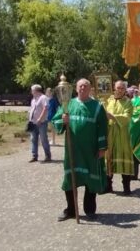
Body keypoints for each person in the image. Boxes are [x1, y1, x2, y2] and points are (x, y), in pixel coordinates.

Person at [52, 79, 108, 221]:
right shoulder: (68, 104)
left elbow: (103, 127)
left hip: (90, 150)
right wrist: (63, 121)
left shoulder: (97, 107)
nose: (83, 88)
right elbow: (56, 120)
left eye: (86, 86)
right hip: (73, 150)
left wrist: (102, 148)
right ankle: (71, 210)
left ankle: (89, 210)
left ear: (90, 89)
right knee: (70, 179)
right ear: (76, 89)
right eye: (80, 86)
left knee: (90, 179)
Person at [105, 80, 134, 195]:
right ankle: (108, 186)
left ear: (125, 90)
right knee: (108, 158)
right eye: (118, 88)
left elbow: (127, 117)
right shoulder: (108, 100)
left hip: (122, 134)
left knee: (124, 157)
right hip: (109, 134)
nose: (120, 90)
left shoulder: (128, 102)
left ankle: (126, 187)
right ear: (114, 88)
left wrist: (112, 116)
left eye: (122, 88)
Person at [28, 84, 51, 162]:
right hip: (33, 122)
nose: (31, 92)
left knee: (43, 139)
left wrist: (40, 119)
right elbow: (32, 110)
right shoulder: (33, 99)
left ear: (36, 90)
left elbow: (45, 108)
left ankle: (48, 155)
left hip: (42, 122)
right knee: (33, 139)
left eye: (32, 90)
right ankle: (34, 156)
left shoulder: (43, 98)